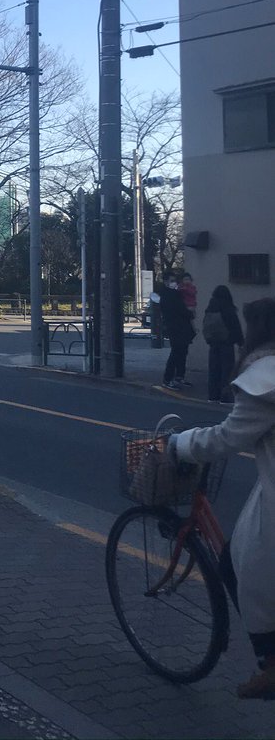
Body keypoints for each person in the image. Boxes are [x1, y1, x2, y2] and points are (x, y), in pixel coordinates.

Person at [168, 297, 275, 698]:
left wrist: (179, 443)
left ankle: (271, 664)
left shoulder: (264, 378)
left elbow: (228, 437)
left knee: (239, 565)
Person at [203, 284, 243, 404]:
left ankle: (213, 396)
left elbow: (206, 325)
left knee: (214, 369)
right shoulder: (227, 307)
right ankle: (225, 397)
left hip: (213, 343)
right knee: (227, 370)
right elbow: (235, 327)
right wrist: (241, 342)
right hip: (227, 343)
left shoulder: (210, 307)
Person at [159, 275, 195, 389]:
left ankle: (179, 376)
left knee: (182, 352)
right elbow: (181, 310)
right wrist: (190, 314)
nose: (174, 283)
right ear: (165, 282)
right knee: (176, 352)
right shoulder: (170, 296)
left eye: (175, 280)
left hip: (179, 328)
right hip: (176, 328)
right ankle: (168, 379)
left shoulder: (173, 294)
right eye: (171, 281)